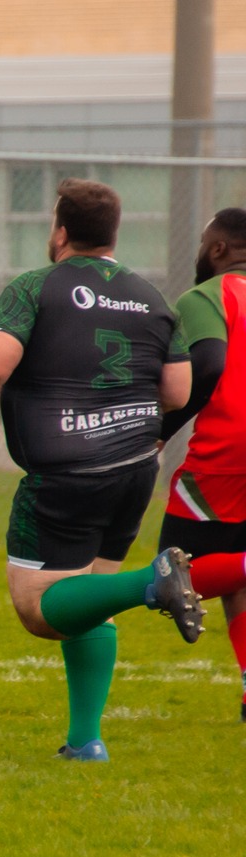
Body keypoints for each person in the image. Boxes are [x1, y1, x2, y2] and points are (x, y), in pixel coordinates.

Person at [0, 178, 198, 761]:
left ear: (60, 231)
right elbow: (177, 392)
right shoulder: (152, 297)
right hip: (135, 467)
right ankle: (85, 741)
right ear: (113, 233)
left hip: (67, 472)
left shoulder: (34, 287)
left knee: (40, 609)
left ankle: (152, 583)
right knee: (90, 599)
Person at [154, 208, 246, 719]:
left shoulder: (208, 295)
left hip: (230, 450)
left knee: (170, 571)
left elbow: (208, 365)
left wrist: (159, 432)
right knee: (234, 570)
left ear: (218, 249)